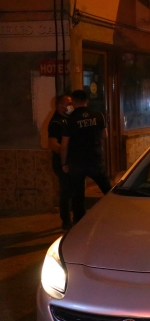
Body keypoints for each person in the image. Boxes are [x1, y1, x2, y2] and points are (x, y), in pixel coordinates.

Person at [60, 90, 112, 224]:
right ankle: (116, 213)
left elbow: (64, 145)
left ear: (73, 102)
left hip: (76, 162)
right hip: (95, 159)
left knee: (78, 195)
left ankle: (80, 223)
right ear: (87, 101)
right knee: (107, 189)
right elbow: (105, 135)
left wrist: (64, 163)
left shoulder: (69, 120)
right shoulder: (99, 116)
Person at [48, 94, 74, 230]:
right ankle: (66, 220)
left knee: (72, 190)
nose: (71, 106)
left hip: (70, 162)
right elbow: (53, 144)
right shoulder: (56, 123)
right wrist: (65, 155)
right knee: (66, 192)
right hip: (61, 163)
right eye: (69, 103)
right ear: (60, 105)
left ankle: (74, 218)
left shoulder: (69, 119)